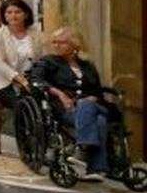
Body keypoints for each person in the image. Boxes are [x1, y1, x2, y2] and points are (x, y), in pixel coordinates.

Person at [30, 29, 110, 181]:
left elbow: (98, 91)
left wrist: (92, 98)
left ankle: (82, 148)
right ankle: (96, 168)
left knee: (86, 104)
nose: (56, 45)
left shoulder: (87, 66)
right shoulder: (48, 62)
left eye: (62, 42)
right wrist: (60, 94)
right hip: (65, 108)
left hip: (93, 106)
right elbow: (35, 80)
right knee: (100, 122)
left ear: (75, 45)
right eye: (54, 42)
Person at [0, 0, 43, 109]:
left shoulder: (36, 34)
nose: (13, 16)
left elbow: (42, 59)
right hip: (3, 82)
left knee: (44, 103)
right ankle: (24, 126)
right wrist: (19, 78)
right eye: (9, 12)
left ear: (26, 14)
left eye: (18, 12)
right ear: (4, 15)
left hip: (31, 79)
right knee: (22, 106)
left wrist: (31, 78)